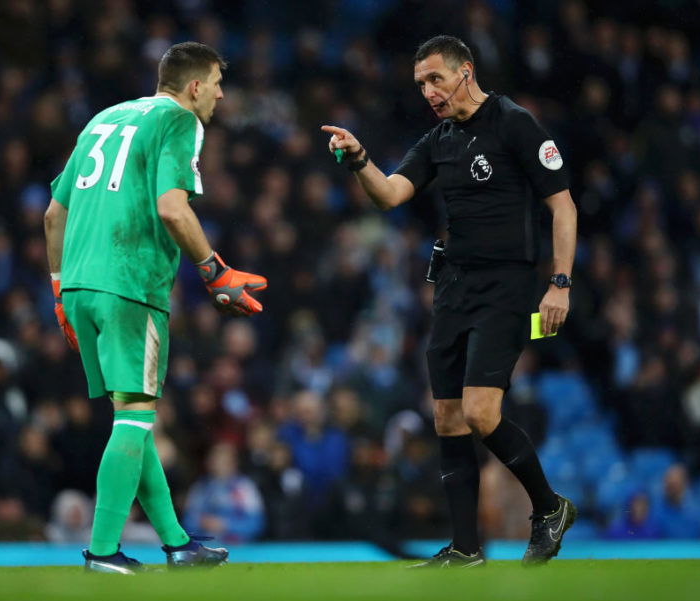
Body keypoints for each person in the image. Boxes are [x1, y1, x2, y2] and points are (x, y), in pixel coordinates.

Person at [322, 35, 578, 567]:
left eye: (435, 78)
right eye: (420, 84)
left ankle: (549, 507)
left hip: (507, 287)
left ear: (466, 72)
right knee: (446, 417)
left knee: (482, 412)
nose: (428, 91)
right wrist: (360, 158)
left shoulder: (514, 123)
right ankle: (466, 549)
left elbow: (564, 206)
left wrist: (560, 284)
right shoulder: (439, 139)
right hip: (454, 288)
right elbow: (391, 193)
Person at [44, 41, 267, 573]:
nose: (219, 93)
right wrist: (215, 269)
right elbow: (172, 208)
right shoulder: (180, 121)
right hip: (130, 285)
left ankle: (174, 542)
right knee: (137, 418)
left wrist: (58, 290)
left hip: (77, 285)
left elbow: (54, 215)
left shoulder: (105, 118)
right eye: (215, 83)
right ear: (193, 87)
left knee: (131, 418)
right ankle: (101, 552)